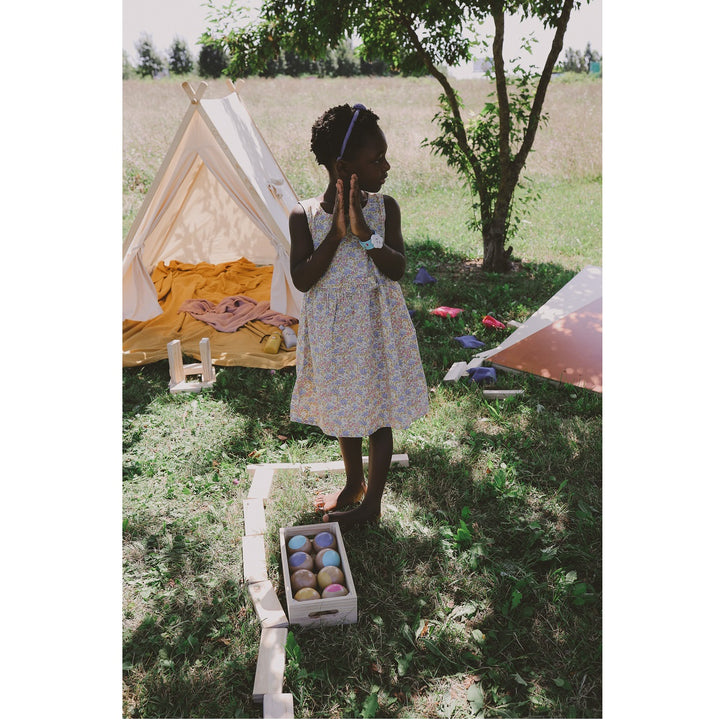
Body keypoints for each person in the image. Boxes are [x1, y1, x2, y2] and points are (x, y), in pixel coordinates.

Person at [289, 103, 429, 530]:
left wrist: (366, 237)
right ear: (343, 166)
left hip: (375, 327)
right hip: (333, 332)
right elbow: (302, 278)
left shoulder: (386, 208)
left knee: (378, 411)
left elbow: (398, 268)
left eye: (384, 157)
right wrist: (336, 234)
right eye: (376, 159)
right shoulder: (305, 216)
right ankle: (353, 483)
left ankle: (373, 504)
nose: (386, 166)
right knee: (347, 408)